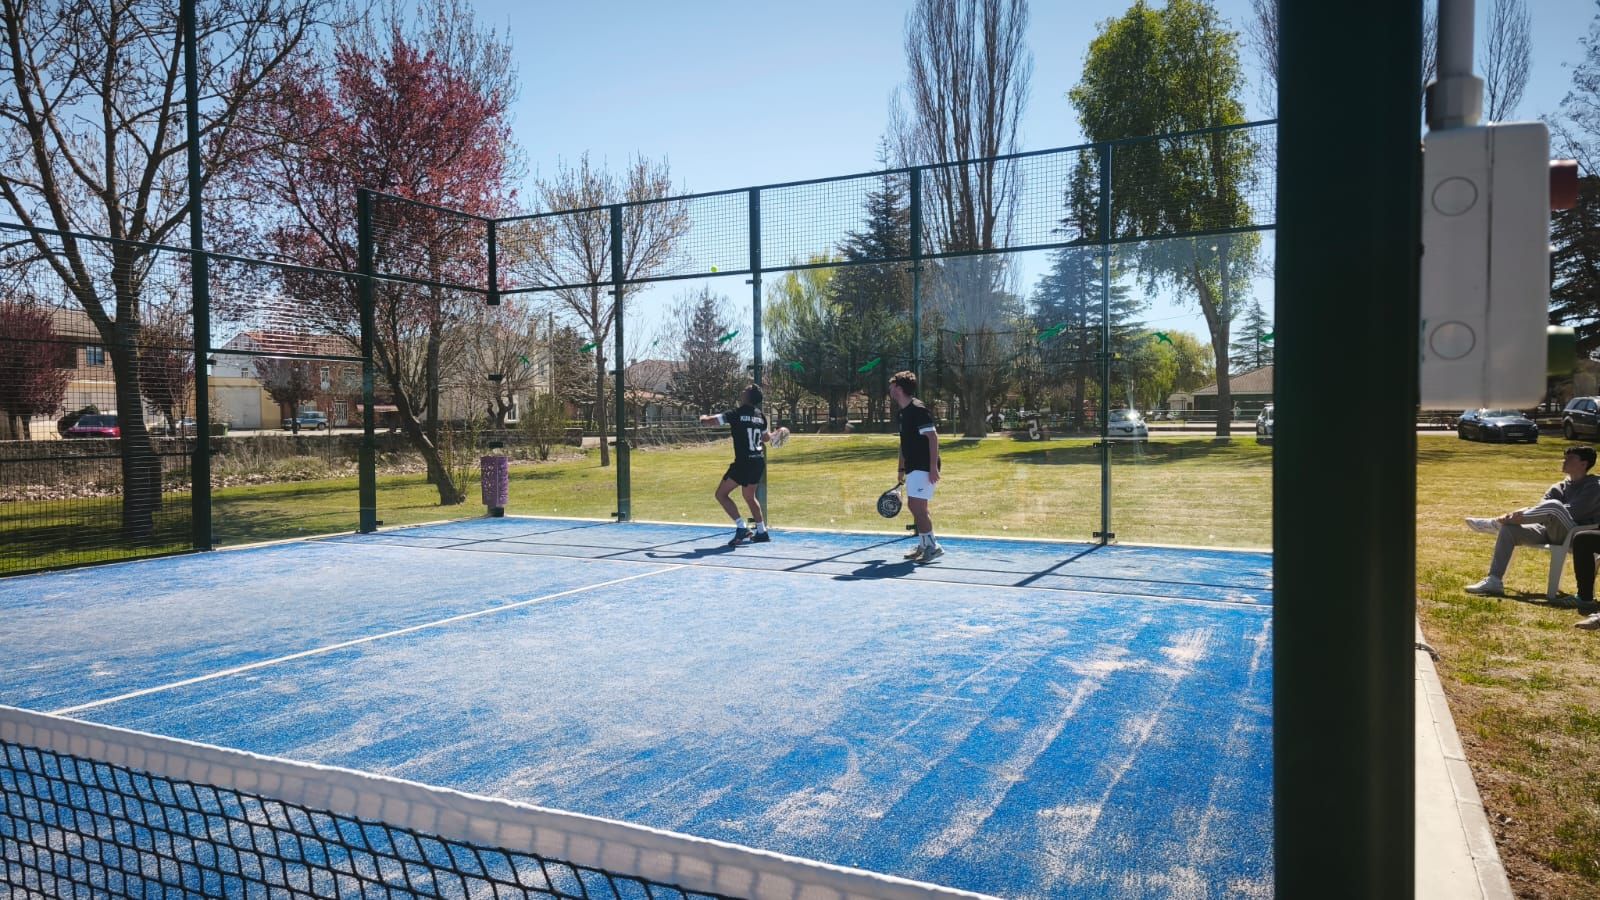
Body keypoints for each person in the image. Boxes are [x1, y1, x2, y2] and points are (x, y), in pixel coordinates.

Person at [1464, 445, 1600, 596]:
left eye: (1571, 458)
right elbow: (1539, 510)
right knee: (1509, 529)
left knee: (1554, 506)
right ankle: (1494, 580)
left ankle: (1496, 523)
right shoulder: (1558, 486)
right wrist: (1523, 516)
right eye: (1565, 457)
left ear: (1584, 464)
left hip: (1577, 536)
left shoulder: (1594, 486)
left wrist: (1526, 514)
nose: (1564, 461)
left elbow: (1574, 511)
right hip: (1547, 530)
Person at [699, 384, 781, 547]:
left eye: (745, 389)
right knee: (749, 497)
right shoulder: (761, 416)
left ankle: (741, 528)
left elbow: (711, 422)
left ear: (748, 396)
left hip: (743, 463)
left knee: (721, 494)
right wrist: (775, 434)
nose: (742, 391)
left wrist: (703, 418)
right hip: (758, 462)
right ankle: (762, 532)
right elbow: (766, 438)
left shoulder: (736, 413)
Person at [890, 370, 942, 562]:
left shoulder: (918, 409)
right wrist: (901, 469)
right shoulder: (902, 413)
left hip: (924, 465)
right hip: (913, 466)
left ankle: (932, 547)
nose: (889, 390)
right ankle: (924, 545)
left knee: (916, 506)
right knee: (918, 507)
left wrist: (933, 467)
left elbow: (933, 437)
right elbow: (904, 443)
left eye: (892, 386)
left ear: (898, 388)